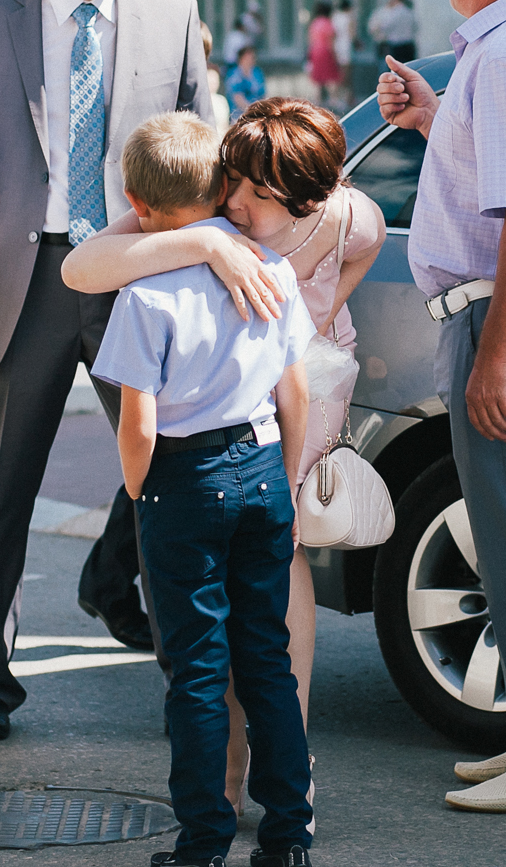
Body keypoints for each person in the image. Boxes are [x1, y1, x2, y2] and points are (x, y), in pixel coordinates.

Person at [0, 0, 233, 741]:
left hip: (133, 276)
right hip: (19, 284)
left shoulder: (172, 16)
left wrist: (202, 269)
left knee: (171, 475)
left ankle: (189, 681)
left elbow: (201, 154)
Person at [62, 97, 385, 822]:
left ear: (305, 199)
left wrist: (324, 317)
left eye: (252, 193)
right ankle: (245, 779)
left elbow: (364, 249)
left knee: (259, 620)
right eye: (230, 182)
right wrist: (206, 244)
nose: (232, 201)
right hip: (238, 410)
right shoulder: (221, 228)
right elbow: (84, 267)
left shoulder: (344, 218)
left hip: (284, 407)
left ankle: (273, 773)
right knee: (234, 626)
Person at [91, 111, 315, 867]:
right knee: (266, 660)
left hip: (184, 480)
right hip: (261, 467)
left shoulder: (145, 296)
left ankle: (203, 842)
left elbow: (139, 423)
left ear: (134, 198)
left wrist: (138, 489)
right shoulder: (270, 271)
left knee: (196, 672)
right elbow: (297, 394)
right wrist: (282, 482)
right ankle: (289, 833)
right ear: (223, 185)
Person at [376, 0, 506, 814]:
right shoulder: (483, 63)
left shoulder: (498, 58)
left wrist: (495, 355)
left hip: (490, 318)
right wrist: (428, 117)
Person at [306, 1, 341, 106]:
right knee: (331, 77)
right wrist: (335, 56)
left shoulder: (314, 23)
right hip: (326, 52)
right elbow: (331, 42)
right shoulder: (328, 23)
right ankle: (333, 99)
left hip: (314, 52)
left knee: (317, 78)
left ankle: (317, 101)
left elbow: (310, 40)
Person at [367, 0, 417, 65]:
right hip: (409, 44)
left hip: (396, 44)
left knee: (396, 68)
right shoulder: (409, 12)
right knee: (410, 67)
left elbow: (385, 26)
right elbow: (415, 27)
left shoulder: (394, 13)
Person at [224, 44, 265, 119]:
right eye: (247, 57)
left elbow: (263, 93)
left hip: (258, 112)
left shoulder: (257, 72)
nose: (250, 60)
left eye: (252, 57)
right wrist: (252, 111)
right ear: (241, 58)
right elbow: (237, 97)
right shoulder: (234, 74)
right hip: (239, 115)